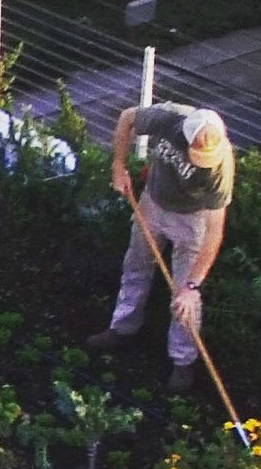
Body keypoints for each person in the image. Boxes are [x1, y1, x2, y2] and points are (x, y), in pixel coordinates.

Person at [86, 102, 233, 392]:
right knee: (136, 265)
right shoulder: (170, 120)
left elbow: (215, 231)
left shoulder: (219, 169)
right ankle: (123, 328)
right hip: (153, 203)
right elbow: (127, 117)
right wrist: (118, 165)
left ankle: (182, 361)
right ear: (186, 135)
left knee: (183, 298)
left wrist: (193, 286)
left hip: (193, 221)